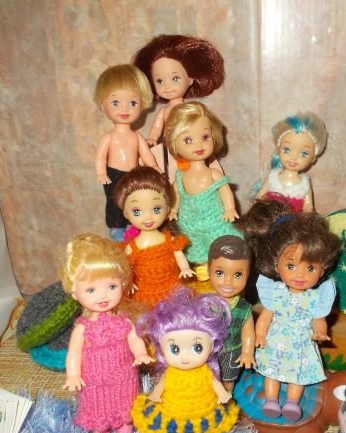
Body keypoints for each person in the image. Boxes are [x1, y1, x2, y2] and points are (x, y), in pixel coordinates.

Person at [237, 200, 341, 421]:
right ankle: (271, 400)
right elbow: (266, 316)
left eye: (310, 268)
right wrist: (260, 335)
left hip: (301, 344)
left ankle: (293, 402)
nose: (300, 275)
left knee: (298, 376)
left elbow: (319, 319)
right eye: (291, 266)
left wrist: (320, 331)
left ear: (322, 271)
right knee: (271, 372)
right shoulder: (275, 292)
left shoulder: (316, 297)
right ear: (277, 266)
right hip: (276, 341)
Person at [61, 233, 153, 433]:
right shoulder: (83, 327)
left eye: (111, 287)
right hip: (94, 382)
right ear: (75, 292)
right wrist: (73, 374)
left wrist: (140, 353)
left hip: (124, 378)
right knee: (99, 417)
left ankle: (125, 431)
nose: (103, 296)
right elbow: (74, 352)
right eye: (91, 290)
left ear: (122, 284)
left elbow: (134, 338)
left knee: (125, 413)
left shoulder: (124, 320)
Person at [131, 288, 239, 433]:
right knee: (172, 431)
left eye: (197, 348)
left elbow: (216, 383)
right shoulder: (170, 373)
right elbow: (161, 385)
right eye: (175, 349)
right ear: (161, 348)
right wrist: (155, 394)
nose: (185, 357)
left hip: (202, 411)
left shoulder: (206, 371)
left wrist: (222, 393)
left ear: (211, 346)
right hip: (174, 410)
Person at [164, 101, 242, 280]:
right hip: (190, 223)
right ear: (174, 144)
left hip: (215, 221)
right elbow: (176, 194)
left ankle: (220, 267)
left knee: (221, 244)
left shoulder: (213, 173)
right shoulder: (179, 176)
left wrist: (230, 208)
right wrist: (174, 209)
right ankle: (204, 267)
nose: (198, 145)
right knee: (197, 247)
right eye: (188, 140)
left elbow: (225, 191)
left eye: (205, 137)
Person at [133, 34, 224, 181]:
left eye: (175, 78)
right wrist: (152, 138)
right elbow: (157, 127)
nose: (167, 86)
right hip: (169, 149)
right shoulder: (164, 111)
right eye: (160, 81)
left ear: (190, 79)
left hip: (189, 147)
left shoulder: (191, 110)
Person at [93, 64, 160, 241]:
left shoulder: (137, 137)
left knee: (136, 200)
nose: (124, 109)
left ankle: (134, 226)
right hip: (113, 174)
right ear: (103, 106)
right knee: (115, 201)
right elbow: (100, 157)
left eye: (132, 103)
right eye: (116, 103)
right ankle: (117, 228)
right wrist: (101, 173)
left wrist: (153, 166)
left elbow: (146, 154)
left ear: (142, 105)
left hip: (133, 174)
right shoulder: (109, 137)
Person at [113, 166, 194, 307]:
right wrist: (128, 281)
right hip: (145, 294)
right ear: (125, 213)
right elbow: (125, 267)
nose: (148, 217)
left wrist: (185, 268)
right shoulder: (132, 247)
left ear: (168, 209)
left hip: (172, 289)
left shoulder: (170, 240)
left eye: (156, 209)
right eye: (137, 211)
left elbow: (178, 254)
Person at [208, 235, 255, 391]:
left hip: (232, 352)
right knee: (208, 379)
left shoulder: (244, 308)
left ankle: (227, 397)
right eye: (219, 273)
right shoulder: (204, 304)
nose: (228, 282)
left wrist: (247, 352)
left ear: (248, 275)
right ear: (208, 271)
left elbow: (248, 332)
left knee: (228, 380)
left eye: (238, 275)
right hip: (208, 352)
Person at [255, 112, 327, 212]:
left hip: (293, 220)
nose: (293, 158)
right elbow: (260, 195)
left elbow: (308, 205)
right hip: (270, 217)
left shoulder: (304, 183)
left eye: (304, 154)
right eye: (286, 150)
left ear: (313, 158)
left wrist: (307, 211)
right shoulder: (273, 177)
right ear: (278, 149)